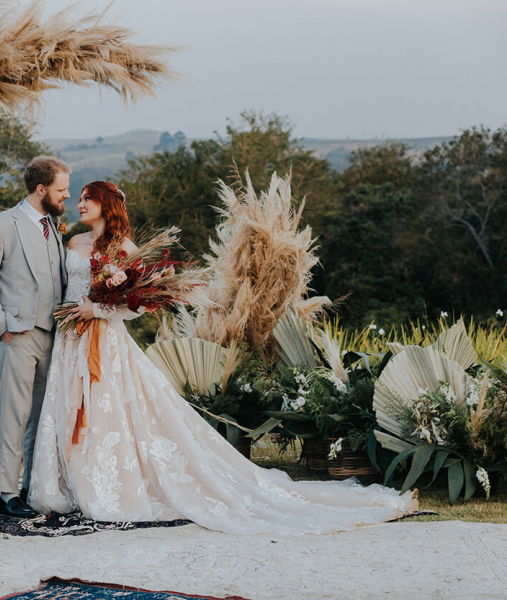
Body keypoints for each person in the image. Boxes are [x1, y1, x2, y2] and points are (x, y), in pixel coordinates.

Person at [26, 180, 419, 535]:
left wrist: (99, 310)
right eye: (78, 199)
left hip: (105, 342)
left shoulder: (126, 249)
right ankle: (72, 483)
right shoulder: (74, 243)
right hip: (70, 340)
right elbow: (65, 290)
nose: (79, 204)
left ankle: (109, 486)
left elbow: (139, 305)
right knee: (70, 407)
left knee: (106, 411)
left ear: (106, 204)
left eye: (87, 199)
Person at [0, 155, 70, 518]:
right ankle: (7, 493)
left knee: (40, 417)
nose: (67, 197)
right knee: (15, 414)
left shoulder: (53, 226)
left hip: (53, 335)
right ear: (41, 189)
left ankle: (32, 486)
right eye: (61, 190)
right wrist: (3, 326)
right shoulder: (1, 226)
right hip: (18, 335)